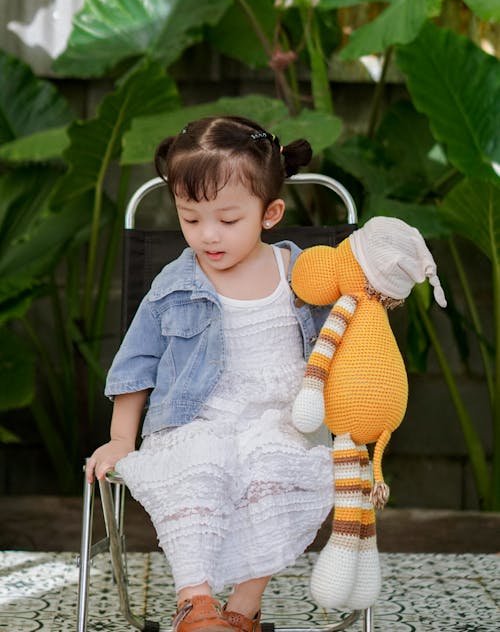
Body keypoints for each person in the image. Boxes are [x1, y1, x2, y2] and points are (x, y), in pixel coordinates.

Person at [86, 115, 334, 632]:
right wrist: (118, 438)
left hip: (282, 422)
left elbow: (350, 332)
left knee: (279, 470)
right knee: (195, 470)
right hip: (195, 421)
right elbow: (136, 363)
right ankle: (195, 603)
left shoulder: (302, 271)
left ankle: (242, 609)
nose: (208, 235)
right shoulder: (175, 282)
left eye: (227, 219)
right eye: (191, 219)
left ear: (270, 214)